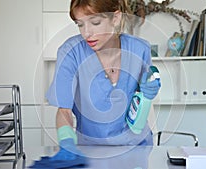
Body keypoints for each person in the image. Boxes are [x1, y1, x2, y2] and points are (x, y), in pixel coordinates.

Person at [44, 0, 161, 164]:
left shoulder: (140, 49)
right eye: (80, 25)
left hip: (135, 149)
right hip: (90, 151)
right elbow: (64, 110)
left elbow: (143, 93)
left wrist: (150, 88)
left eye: (95, 22)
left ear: (115, 17)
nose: (87, 33)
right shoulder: (71, 52)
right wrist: (66, 143)